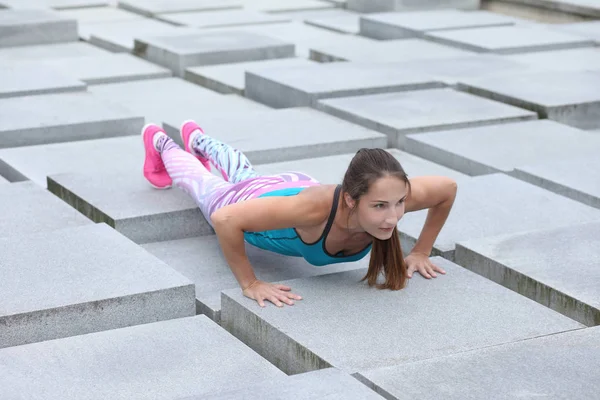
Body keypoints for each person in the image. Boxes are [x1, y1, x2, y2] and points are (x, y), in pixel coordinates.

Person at [142, 121, 457, 308]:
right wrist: (249, 283)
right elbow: (227, 220)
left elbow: (447, 189)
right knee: (202, 184)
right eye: (379, 206)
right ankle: (160, 140)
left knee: (246, 172)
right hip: (263, 198)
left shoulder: (389, 193)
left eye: (399, 202)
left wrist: (421, 252)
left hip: (293, 186)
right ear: (351, 199)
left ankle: (198, 139)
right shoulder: (316, 210)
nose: (393, 216)